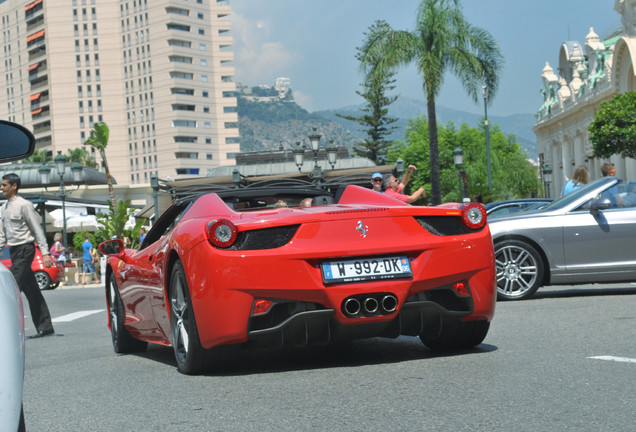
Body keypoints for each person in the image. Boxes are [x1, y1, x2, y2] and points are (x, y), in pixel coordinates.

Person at [0, 173, 55, 338]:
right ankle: (45, 327)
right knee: (31, 290)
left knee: (12, 285)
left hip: (26, 249)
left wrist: (45, 253)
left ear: (14, 186)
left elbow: (37, 230)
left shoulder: (25, 205)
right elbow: (2, 234)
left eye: (4, 185)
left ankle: (7, 329)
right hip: (14, 250)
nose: (1, 188)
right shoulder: (3, 208)